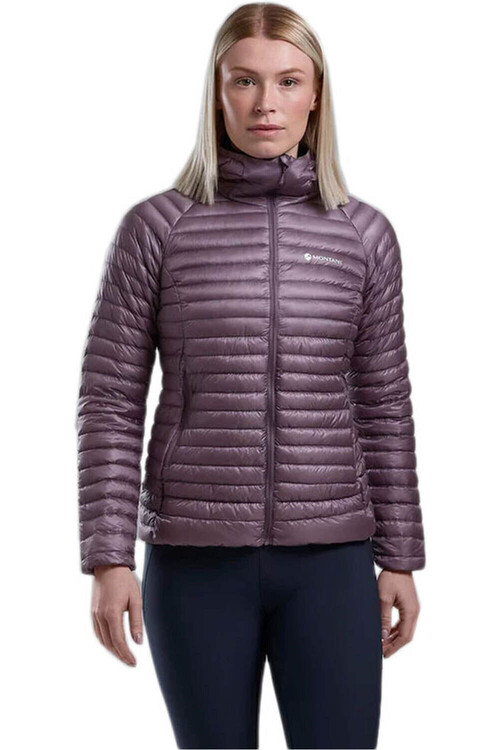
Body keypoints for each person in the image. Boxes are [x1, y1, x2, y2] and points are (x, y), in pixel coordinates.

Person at [76, 3, 425, 748]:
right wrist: (108, 556)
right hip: (194, 563)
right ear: (217, 92)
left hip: (331, 562)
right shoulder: (156, 229)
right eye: (245, 80)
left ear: (316, 95)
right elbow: (110, 400)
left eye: (288, 81)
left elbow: (385, 404)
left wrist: (400, 557)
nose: (266, 102)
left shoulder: (364, 235)